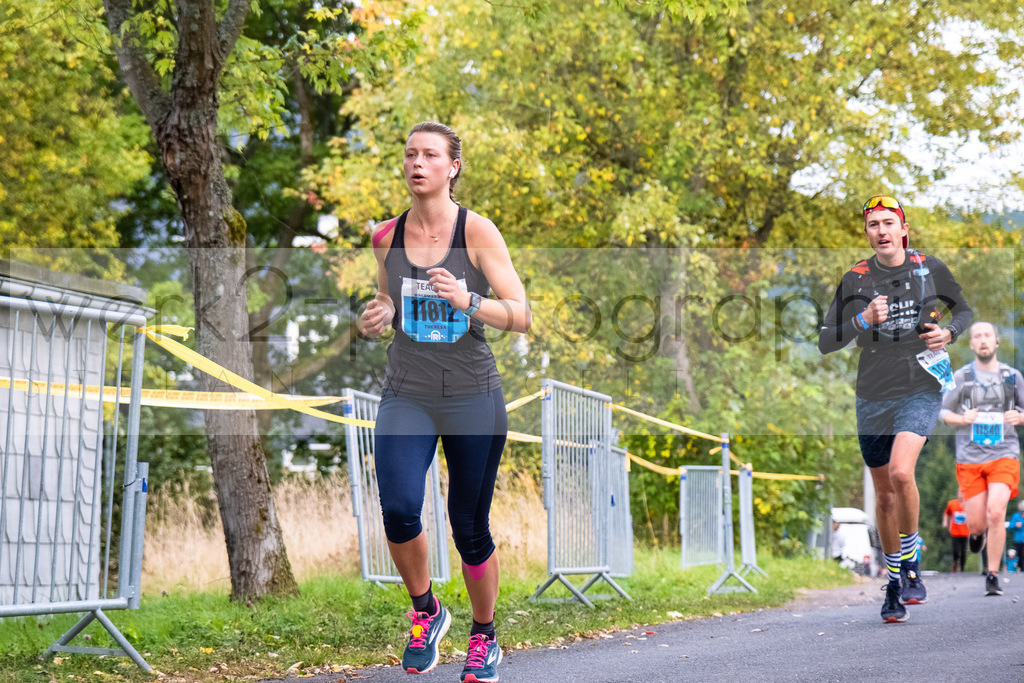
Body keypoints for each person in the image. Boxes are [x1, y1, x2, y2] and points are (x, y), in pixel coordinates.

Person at [358, 121, 531, 681]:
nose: (417, 162)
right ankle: (426, 610)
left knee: (468, 526)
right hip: (407, 391)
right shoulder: (385, 236)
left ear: (452, 167)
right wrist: (378, 314)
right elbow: (387, 298)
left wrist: (468, 300)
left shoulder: (476, 231)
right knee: (399, 507)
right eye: (410, 153)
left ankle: (484, 636)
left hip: (471, 394)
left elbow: (521, 315)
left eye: (430, 154)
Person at [818, 195, 973, 623]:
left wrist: (949, 333)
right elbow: (825, 340)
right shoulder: (856, 278)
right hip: (873, 393)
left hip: (920, 385)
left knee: (902, 473)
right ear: (867, 233)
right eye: (874, 225)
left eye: (889, 223)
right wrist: (862, 320)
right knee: (884, 496)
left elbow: (964, 311)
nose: (882, 231)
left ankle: (911, 562)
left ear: (904, 229)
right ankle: (892, 583)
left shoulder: (929, 267)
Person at [940, 321, 1022, 596]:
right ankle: (978, 534)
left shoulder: (1012, 377)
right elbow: (944, 413)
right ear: (972, 343)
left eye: (988, 335)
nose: (983, 340)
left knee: (996, 512)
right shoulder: (961, 377)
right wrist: (962, 418)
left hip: (1004, 454)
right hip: (970, 458)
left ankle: (993, 575)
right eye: (978, 336)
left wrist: (1020, 416)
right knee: (976, 523)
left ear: (996, 342)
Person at [942, 490, 969, 572]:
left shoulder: (968, 504)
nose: (961, 496)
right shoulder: (952, 503)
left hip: (965, 532)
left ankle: (962, 568)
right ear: (957, 494)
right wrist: (945, 522)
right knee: (956, 550)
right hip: (955, 532)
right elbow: (946, 513)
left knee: (963, 551)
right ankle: (955, 563)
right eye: (960, 494)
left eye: (962, 494)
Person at [1010, 500, 1024, 569]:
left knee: (1023, 554)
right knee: (1019, 555)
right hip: (1018, 539)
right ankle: (1021, 568)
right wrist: (1016, 524)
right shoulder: (1015, 516)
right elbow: (1010, 525)